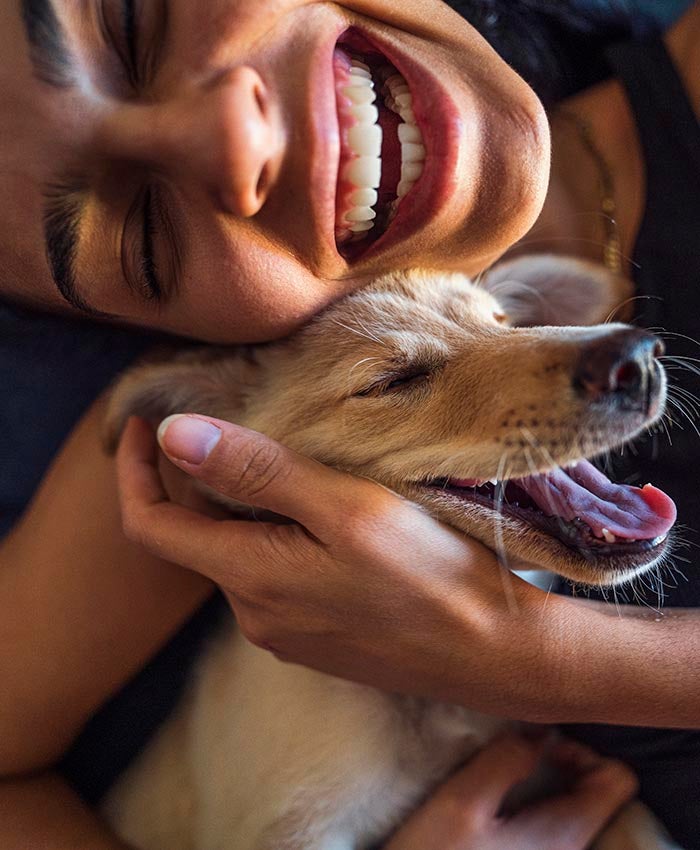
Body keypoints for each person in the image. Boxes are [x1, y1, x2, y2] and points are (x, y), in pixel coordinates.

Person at [0, 0, 697, 847]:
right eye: (146, 239)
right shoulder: (222, 426)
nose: (235, 139)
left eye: (131, 23)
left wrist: (548, 656)